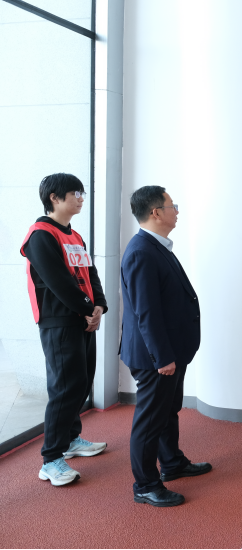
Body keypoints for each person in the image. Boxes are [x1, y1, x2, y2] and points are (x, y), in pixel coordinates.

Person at [121, 186, 210, 507]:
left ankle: (171, 463)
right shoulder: (141, 252)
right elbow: (146, 312)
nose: (177, 211)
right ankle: (145, 485)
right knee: (149, 421)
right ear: (156, 212)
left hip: (170, 351)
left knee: (167, 411)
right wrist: (162, 357)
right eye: (173, 205)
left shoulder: (156, 246)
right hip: (155, 357)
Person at [20, 173, 107, 487]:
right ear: (54, 198)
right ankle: (51, 459)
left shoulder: (75, 235)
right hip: (59, 320)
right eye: (75, 193)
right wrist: (87, 308)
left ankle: (70, 439)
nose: (81, 198)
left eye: (82, 193)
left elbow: (90, 273)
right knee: (65, 388)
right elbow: (58, 281)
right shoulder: (40, 235)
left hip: (82, 317)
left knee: (81, 382)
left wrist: (99, 306)